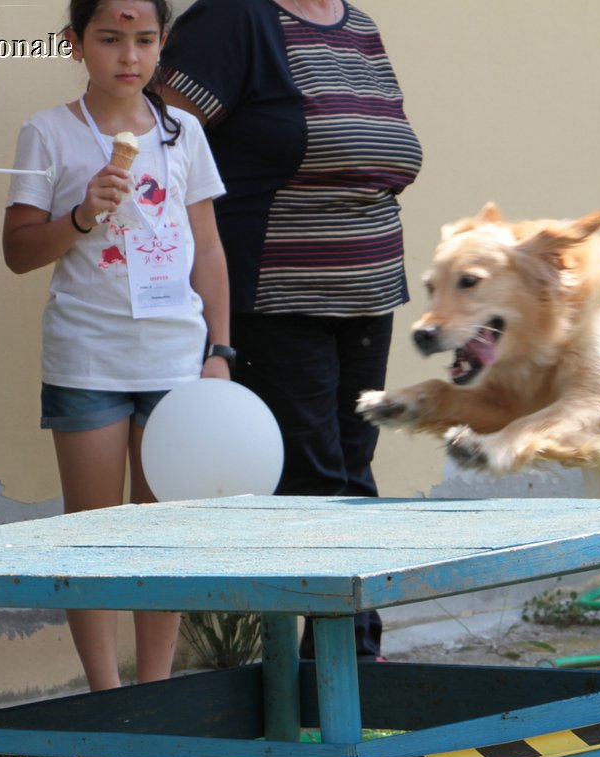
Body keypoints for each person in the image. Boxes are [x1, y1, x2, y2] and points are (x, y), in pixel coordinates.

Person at [157, 0, 422, 661]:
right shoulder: (235, 18)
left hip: (367, 288)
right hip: (276, 290)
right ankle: (330, 667)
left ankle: (357, 658)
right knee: (313, 479)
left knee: (354, 470)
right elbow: (157, 135)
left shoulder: (356, 26)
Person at [3, 0, 230, 692]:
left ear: (163, 44)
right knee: (93, 536)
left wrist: (220, 349)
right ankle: (106, 696)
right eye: (109, 39)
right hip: (88, 359)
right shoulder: (47, 134)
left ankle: (155, 691)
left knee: (161, 541)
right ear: (75, 44)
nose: (128, 57)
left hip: (175, 361)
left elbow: (210, 248)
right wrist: (80, 213)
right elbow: (17, 251)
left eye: (143, 40)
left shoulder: (183, 130)